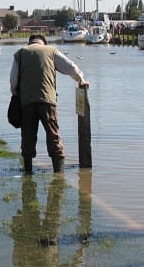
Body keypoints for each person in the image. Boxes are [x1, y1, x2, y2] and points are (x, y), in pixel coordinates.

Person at [10, 34, 89, 174]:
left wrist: (16, 95)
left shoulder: (20, 53)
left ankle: (28, 172)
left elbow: (13, 80)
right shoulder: (51, 51)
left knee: (27, 136)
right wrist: (80, 79)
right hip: (48, 101)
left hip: (27, 102)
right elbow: (70, 67)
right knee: (53, 135)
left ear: (30, 43)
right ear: (43, 42)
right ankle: (58, 173)